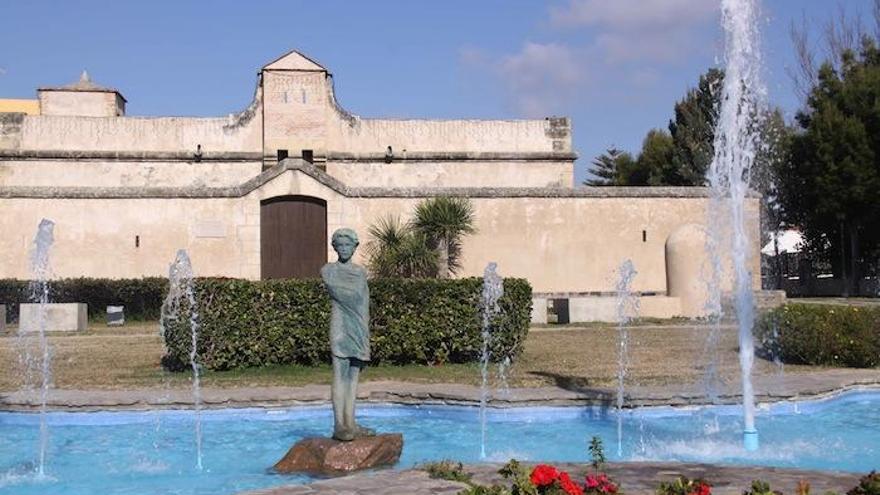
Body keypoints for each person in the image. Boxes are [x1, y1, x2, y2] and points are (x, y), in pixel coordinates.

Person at [320, 228, 376, 441]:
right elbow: (344, 295)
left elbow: (363, 301)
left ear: (354, 247)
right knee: (339, 374)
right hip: (341, 325)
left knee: (353, 377)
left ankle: (351, 422)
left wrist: (365, 331)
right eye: (340, 245)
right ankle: (339, 425)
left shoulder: (360, 272)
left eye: (347, 245)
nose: (344, 249)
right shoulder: (328, 271)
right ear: (334, 247)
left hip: (359, 325)